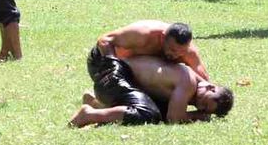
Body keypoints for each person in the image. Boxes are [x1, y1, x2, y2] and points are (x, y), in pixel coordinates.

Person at [70, 50, 233, 127]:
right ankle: (89, 114)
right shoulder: (188, 81)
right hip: (113, 76)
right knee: (149, 114)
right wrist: (198, 116)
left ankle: (98, 104)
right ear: (211, 87)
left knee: (158, 111)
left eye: (203, 109)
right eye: (204, 103)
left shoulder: (192, 82)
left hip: (115, 82)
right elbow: (173, 119)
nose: (199, 106)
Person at [96, 20, 210, 79]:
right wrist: (114, 70)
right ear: (163, 37)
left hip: (137, 72)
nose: (176, 55)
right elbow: (104, 40)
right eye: (172, 49)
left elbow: (204, 80)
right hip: (102, 62)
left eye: (181, 52)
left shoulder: (188, 51)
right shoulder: (143, 34)